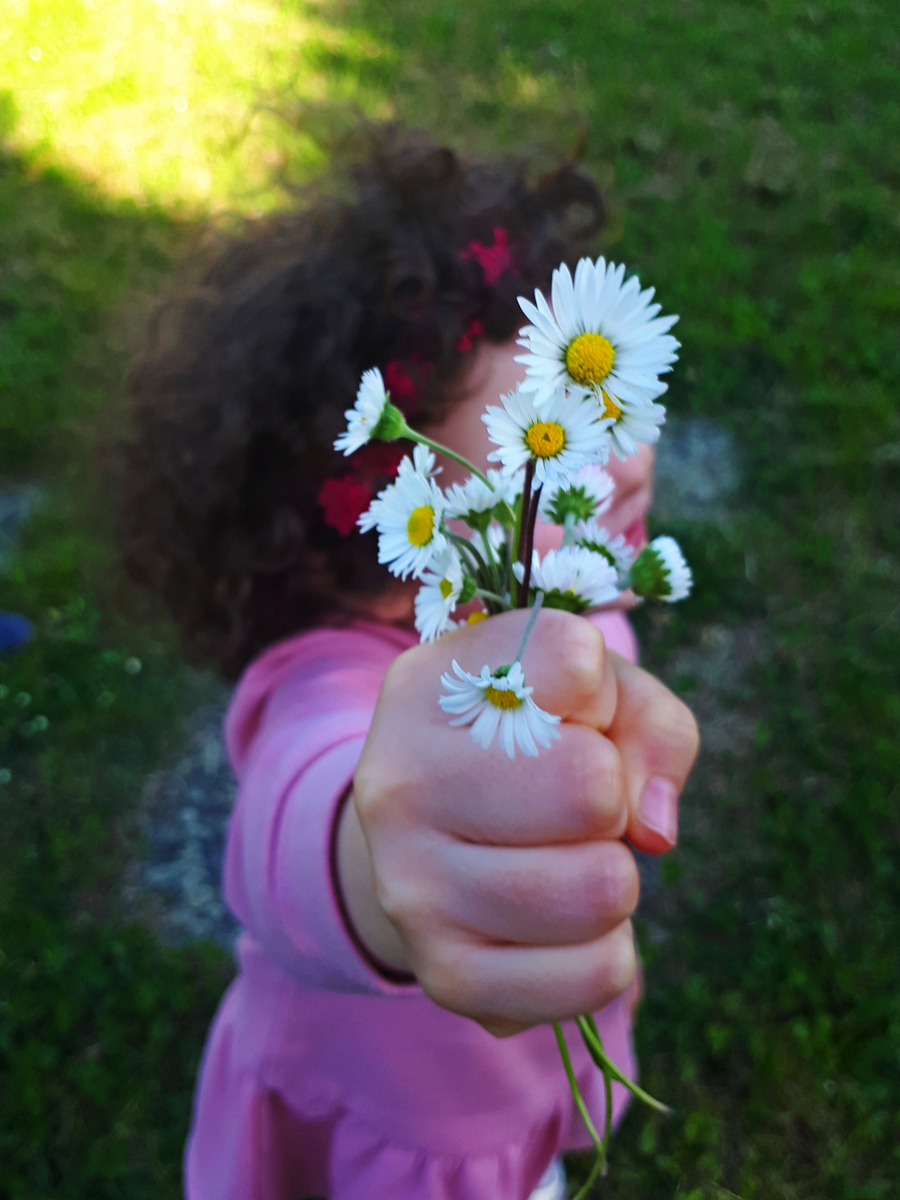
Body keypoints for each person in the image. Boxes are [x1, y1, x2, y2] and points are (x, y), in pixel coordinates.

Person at [118, 128, 699, 1200]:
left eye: (609, 396)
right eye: (547, 439)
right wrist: (382, 866)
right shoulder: (334, 679)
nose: (618, 460)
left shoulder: (566, 595)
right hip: (389, 1129)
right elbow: (306, 807)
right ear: (405, 525)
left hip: (522, 1050)